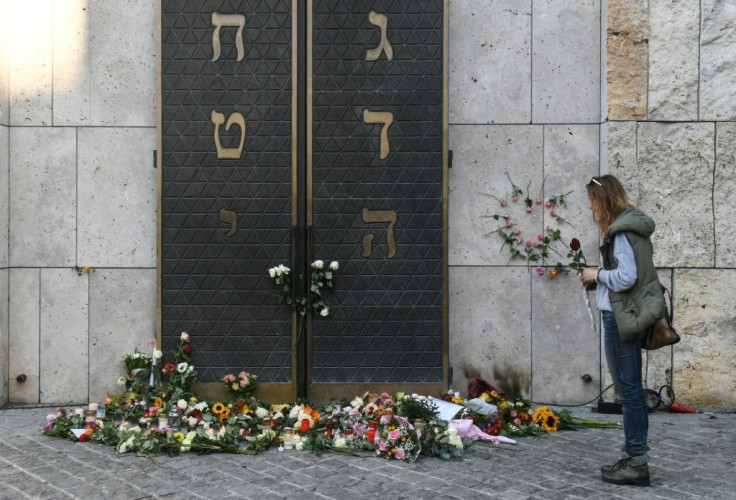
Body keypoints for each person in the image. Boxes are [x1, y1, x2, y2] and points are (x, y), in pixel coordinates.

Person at [579, 174, 667, 487]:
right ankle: (634, 457)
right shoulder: (634, 228)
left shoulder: (620, 233)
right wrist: (598, 280)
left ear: (603, 200)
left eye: (592, 200)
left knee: (628, 392)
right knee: (630, 391)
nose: (591, 207)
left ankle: (637, 462)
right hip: (623, 314)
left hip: (618, 320)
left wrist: (596, 273)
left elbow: (626, 277)